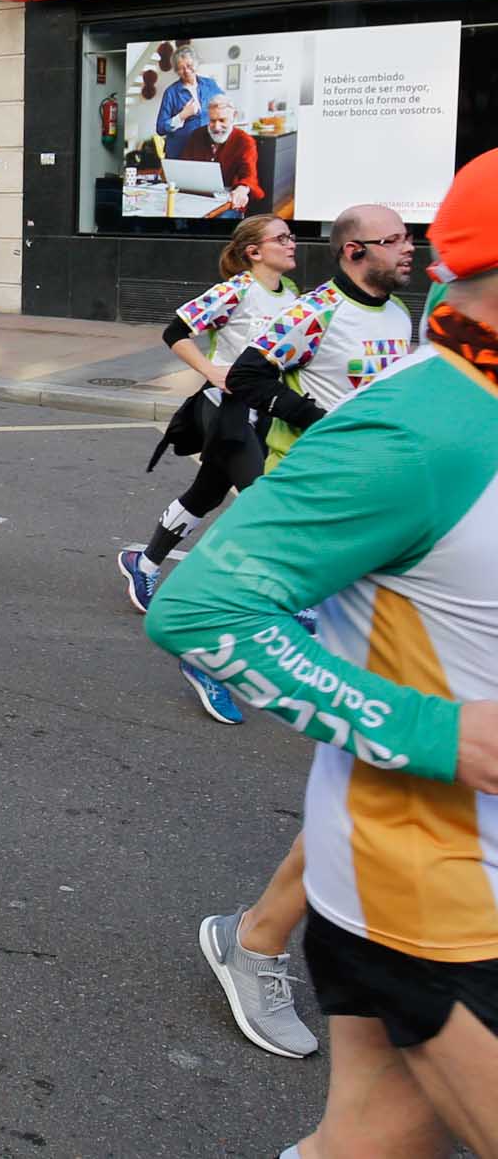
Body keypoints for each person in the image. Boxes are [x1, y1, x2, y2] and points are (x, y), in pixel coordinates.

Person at [147, 150, 498, 1158]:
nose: (391, 251)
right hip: (437, 883)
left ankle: (256, 931)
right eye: (378, 242)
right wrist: (251, 441)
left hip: (382, 524)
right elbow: (214, 356)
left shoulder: (405, 331)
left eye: (401, 240)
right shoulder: (336, 337)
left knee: (369, 1144)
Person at [167, 203, 415, 1065]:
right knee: (385, 747)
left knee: (395, 762)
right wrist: (319, 426)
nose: (409, 250)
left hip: (388, 516)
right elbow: (244, 378)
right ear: (356, 252)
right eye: (396, 240)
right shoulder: (315, 307)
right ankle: (267, 938)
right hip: (317, 496)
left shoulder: (406, 315)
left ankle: (306, 938)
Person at [117, 215, 299, 612]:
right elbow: (175, 332)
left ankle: (143, 562)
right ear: (254, 252)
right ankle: (270, 594)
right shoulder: (236, 290)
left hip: (265, 411)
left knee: (207, 493)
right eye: (281, 238)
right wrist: (211, 370)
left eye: (292, 237)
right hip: (227, 411)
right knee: (263, 499)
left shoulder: (292, 295)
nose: (292, 244)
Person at [171, 96, 262, 216]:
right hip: (195, 197)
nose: (216, 127)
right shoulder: (197, 135)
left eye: (222, 120)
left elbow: (249, 175)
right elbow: (184, 166)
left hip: (227, 202)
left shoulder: (245, 141)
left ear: (233, 117)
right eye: (212, 121)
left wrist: (242, 189)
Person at [156, 44, 223, 147]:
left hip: (206, 148)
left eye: (189, 65)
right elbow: (160, 128)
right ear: (176, 71)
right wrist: (182, 115)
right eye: (180, 68)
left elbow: (225, 106)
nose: (186, 71)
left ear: (196, 64)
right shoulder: (171, 93)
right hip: (181, 150)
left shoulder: (210, 84)